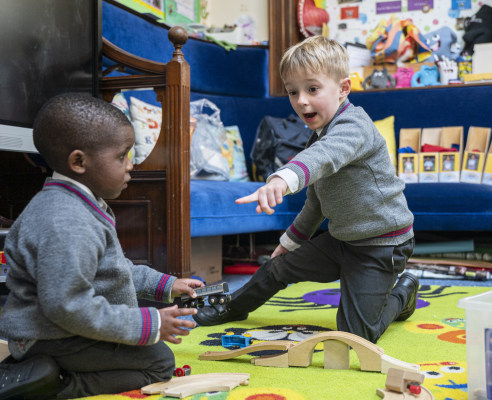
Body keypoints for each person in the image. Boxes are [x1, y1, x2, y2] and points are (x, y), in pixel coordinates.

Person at [194, 36, 419, 344]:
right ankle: (233, 306)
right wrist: (290, 242)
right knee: (276, 267)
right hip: (343, 241)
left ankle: (402, 294)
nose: (301, 100)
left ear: (342, 89)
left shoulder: (354, 127)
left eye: (312, 89)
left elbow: (323, 157)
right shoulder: (318, 134)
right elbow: (316, 202)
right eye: (293, 92)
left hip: (381, 245)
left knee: (355, 336)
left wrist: (281, 179)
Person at [0, 93, 204, 399]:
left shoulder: (78, 204)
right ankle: (51, 385)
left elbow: (113, 271)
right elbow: (67, 305)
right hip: (51, 335)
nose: (130, 165)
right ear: (79, 162)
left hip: (58, 330)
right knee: (158, 363)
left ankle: (36, 369)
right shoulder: (66, 220)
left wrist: (167, 285)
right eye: (122, 156)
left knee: (151, 351)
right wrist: (146, 322)